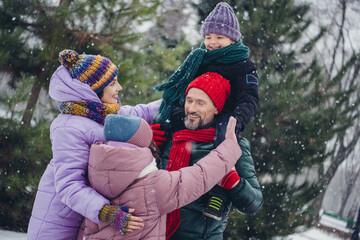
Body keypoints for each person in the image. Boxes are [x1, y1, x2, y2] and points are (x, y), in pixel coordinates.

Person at [27, 49, 161, 240]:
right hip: (59, 220)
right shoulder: (69, 127)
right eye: (113, 83)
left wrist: (176, 99)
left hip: (85, 214)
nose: (120, 88)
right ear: (93, 89)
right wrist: (105, 211)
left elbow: (141, 112)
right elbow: (68, 185)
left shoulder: (103, 113)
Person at [152, 2, 259, 220]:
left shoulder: (243, 64)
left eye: (219, 37)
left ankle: (217, 193)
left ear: (233, 38)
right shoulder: (199, 58)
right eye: (209, 36)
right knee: (167, 120)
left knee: (222, 143)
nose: (212, 42)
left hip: (225, 115)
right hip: (198, 111)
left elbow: (249, 98)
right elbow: (182, 89)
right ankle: (155, 160)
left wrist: (237, 121)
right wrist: (167, 117)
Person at [81, 113, 241, 239]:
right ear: (143, 144)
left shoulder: (90, 180)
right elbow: (200, 176)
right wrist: (229, 148)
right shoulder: (154, 186)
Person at [159, 72, 263, 239]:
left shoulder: (231, 144)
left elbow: (254, 204)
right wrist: (145, 141)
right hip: (158, 233)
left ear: (216, 108)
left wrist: (234, 183)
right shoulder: (172, 135)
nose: (191, 109)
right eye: (189, 100)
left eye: (201, 103)